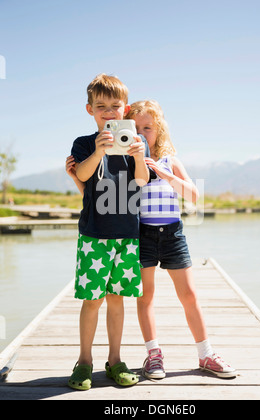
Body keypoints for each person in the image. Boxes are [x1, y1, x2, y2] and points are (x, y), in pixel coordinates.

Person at [125, 100, 236, 379]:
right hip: (144, 235)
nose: (141, 133)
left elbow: (195, 197)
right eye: (135, 128)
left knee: (189, 295)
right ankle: (153, 355)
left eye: (147, 128)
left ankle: (206, 354)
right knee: (145, 296)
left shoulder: (170, 160)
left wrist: (164, 173)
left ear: (159, 129)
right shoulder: (126, 162)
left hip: (173, 234)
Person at [67, 74, 151, 391]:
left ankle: (115, 359)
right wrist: (99, 152)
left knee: (117, 300)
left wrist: (140, 156)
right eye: (101, 106)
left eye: (115, 106)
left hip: (127, 236)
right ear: (90, 109)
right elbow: (84, 176)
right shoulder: (85, 143)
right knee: (93, 300)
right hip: (94, 235)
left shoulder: (133, 143)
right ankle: (84, 360)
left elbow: (141, 181)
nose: (108, 112)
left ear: (124, 109)